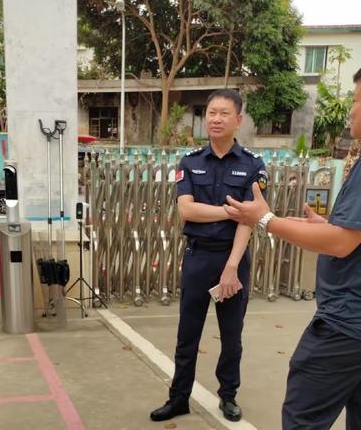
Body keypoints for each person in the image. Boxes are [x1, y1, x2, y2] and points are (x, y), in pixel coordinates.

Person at [224, 69, 361, 429]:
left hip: (345, 326)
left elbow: (342, 243)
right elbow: (347, 234)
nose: (350, 110)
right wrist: (316, 226)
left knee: (304, 418)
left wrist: (266, 219)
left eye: (357, 100)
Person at [150, 89, 267, 423]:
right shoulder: (190, 162)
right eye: (211, 113)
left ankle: (228, 396)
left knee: (232, 337)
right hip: (197, 258)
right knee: (188, 333)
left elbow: (251, 219)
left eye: (224, 113)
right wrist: (230, 212)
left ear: (238, 120)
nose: (215, 119)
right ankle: (178, 398)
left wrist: (232, 267)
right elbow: (187, 210)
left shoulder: (253, 166)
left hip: (233, 260)